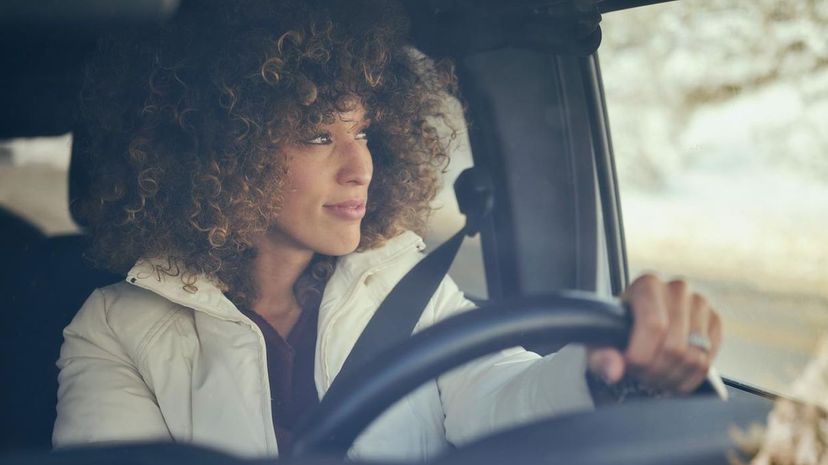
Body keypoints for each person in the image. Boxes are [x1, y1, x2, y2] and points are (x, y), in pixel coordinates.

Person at [53, 0, 723, 461]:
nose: (361, 166)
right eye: (321, 135)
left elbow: (500, 391)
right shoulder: (115, 327)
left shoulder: (407, 286)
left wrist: (604, 371)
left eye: (366, 131)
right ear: (225, 152)